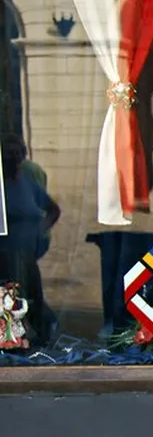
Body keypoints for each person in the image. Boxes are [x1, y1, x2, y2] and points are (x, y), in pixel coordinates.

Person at [1, 135, 60, 347]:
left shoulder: (28, 182)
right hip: (6, 254)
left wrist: (39, 231)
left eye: (18, 153)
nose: (14, 158)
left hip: (27, 253)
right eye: (9, 154)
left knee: (33, 298)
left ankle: (40, 340)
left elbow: (53, 210)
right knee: (12, 301)